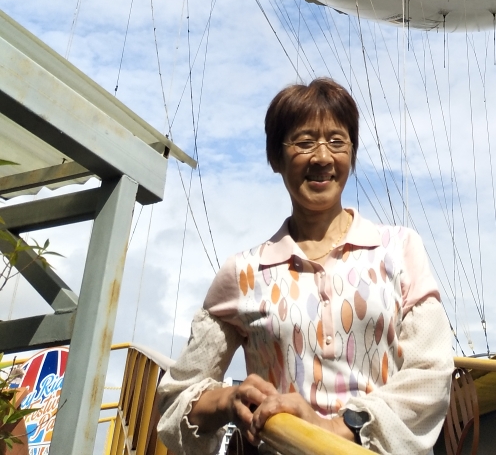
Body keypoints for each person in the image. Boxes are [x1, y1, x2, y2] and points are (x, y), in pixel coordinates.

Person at [157, 78, 454, 454]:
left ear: (352, 153)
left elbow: (431, 373)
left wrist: (335, 426)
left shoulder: (399, 249)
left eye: (336, 141)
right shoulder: (244, 273)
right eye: (304, 142)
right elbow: (175, 400)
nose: (322, 157)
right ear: (275, 157)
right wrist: (230, 400)